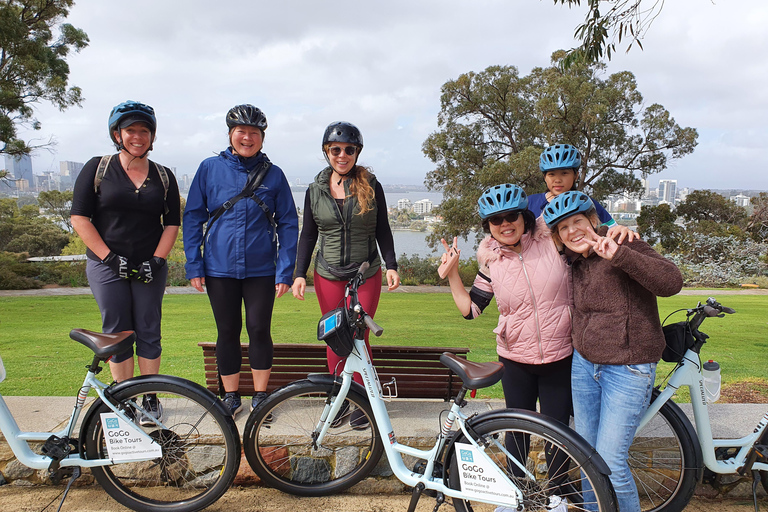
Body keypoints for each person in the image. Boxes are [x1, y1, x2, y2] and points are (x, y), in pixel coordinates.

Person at [542, 190, 683, 512]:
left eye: (577, 221)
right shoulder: (573, 260)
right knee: (589, 458)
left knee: (611, 462)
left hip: (628, 367)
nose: (572, 231)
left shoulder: (624, 242)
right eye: (563, 228)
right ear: (558, 237)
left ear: (593, 221)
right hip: (585, 366)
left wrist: (619, 254)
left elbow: (671, 282)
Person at [439, 184, 574, 499]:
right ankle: (520, 495)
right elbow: (470, 310)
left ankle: (559, 497)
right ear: (488, 225)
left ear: (524, 216)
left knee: (559, 434)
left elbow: (588, 232)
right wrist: (453, 274)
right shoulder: (492, 260)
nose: (505, 224)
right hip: (515, 359)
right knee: (517, 433)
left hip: (560, 355)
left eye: (511, 215)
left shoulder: (553, 242)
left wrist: (615, 229)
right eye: (496, 219)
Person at [183, 104, 298, 418]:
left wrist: (285, 270)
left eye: (254, 133)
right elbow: (192, 218)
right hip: (219, 268)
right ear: (230, 134)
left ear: (262, 137)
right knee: (227, 331)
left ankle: (261, 396)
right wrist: (194, 264)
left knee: (259, 329)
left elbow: (288, 223)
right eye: (241, 131)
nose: (247, 137)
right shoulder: (209, 168)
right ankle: (231, 396)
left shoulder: (274, 175)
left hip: (262, 269)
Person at [71, 100, 181, 425]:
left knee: (149, 327)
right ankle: (125, 397)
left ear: (152, 135)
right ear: (117, 134)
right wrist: (109, 258)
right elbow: (79, 218)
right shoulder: (98, 167)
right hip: (106, 265)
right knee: (117, 330)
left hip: (149, 264)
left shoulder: (164, 175)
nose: (138, 136)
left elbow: (172, 223)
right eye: (131, 130)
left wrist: (158, 261)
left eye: (144, 131)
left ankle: (149, 396)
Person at [292, 121, 400, 429]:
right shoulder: (315, 190)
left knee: (359, 336)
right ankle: (337, 399)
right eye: (336, 149)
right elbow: (308, 235)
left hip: (365, 273)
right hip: (327, 273)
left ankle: (361, 401)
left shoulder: (371, 185)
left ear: (357, 152)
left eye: (349, 150)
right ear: (326, 152)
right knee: (335, 337)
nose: (343, 155)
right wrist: (300, 274)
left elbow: (383, 230)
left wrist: (391, 265)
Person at [528, 144, 616, 227]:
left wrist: (621, 231)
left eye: (564, 173)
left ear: (576, 176)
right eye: (552, 174)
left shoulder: (588, 204)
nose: (558, 180)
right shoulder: (530, 203)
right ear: (544, 177)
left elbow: (613, 230)